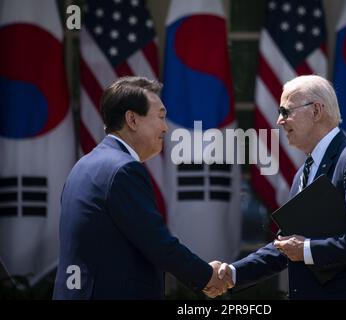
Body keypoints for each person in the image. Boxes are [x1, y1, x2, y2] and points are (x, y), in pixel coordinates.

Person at [210, 75, 346, 300]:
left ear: (316, 111)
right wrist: (233, 273)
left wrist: (308, 250)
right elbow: (286, 246)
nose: (279, 120)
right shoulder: (302, 173)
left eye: (286, 112)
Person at [53, 76, 229, 299]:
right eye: (161, 117)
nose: (165, 128)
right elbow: (158, 244)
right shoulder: (123, 170)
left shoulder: (84, 166)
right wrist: (206, 276)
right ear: (132, 120)